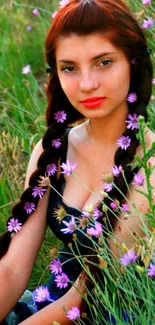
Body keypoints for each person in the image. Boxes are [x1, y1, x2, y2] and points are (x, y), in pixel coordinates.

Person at [0, 0, 155, 323]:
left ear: (134, 63)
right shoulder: (53, 150)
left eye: (103, 62)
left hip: (117, 310)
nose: (86, 84)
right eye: (69, 67)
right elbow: (12, 268)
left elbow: (85, 295)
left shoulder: (150, 166)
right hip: (56, 302)